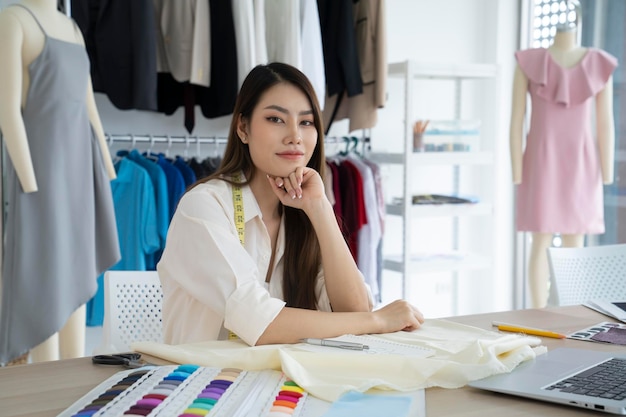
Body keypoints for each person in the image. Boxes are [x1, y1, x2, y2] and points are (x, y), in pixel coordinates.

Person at [157, 62, 425, 346]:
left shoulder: (302, 213)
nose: (295, 136)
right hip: (201, 383)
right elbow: (258, 323)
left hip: (277, 382)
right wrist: (380, 320)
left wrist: (320, 208)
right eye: (276, 119)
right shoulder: (203, 208)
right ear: (243, 128)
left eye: (306, 122)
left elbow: (354, 311)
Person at [0, 0, 119, 364]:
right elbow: (6, 110)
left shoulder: (73, 28)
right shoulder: (13, 20)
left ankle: (72, 381)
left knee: (78, 271)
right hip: (40, 165)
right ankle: (45, 382)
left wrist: (105, 166)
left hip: (81, 168)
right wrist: (28, 179)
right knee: (46, 274)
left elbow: (88, 106)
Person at [509, 22, 617, 308]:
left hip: (582, 163)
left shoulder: (598, 63)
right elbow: (516, 118)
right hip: (541, 160)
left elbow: (605, 122)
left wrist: (607, 172)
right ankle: (537, 312)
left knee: (574, 246)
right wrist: (516, 169)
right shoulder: (529, 63)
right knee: (539, 242)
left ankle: (573, 311)